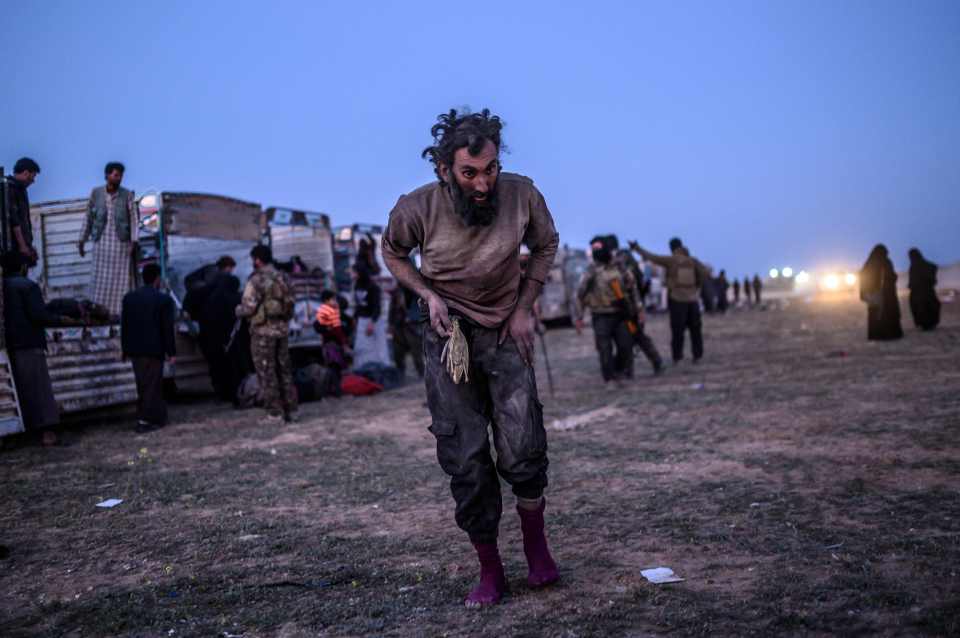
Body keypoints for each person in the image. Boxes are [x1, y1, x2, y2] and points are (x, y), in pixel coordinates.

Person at [382, 108, 560, 607]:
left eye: (491, 169)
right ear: (444, 170)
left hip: (506, 329)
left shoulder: (521, 193)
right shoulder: (415, 208)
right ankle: (490, 569)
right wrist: (426, 294)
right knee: (464, 453)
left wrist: (525, 307)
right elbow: (392, 251)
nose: (483, 184)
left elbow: (545, 244)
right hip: (448, 336)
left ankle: (536, 548)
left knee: (523, 444)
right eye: (470, 173)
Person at [2, 251, 72, 445]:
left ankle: (29, 433)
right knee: (40, 390)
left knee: (21, 392)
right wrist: (60, 319)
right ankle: (48, 434)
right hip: (30, 344)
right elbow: (39, 315)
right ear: (23, 267)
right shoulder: (28, 286)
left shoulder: (4, 286)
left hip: (11, 345)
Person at [235, 245, 298, 423]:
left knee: (267, 373)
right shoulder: (283, 276)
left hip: (263, 332)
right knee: (284, 370)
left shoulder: (256, 280)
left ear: (257, 259)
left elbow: (248, 308)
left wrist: (237, 310)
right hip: (282, 330)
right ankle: (291, 410)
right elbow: (292, 301)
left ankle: (274, 413)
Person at [630, 238, 710, 363]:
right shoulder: (692, 261)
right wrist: (696, 285)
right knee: (696, 330)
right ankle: (697, 356)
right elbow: (705, 272)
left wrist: (636, 248)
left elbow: (652, 257)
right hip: (693, 300)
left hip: (677, 299)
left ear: (672, 248)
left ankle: (677, 357)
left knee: (678, 331)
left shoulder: (671, 260)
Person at [121, 264, 176, 432]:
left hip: (136, 351)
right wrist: (171, 352)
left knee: (143, 384)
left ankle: (156, 417)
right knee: (153, 385)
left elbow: (125, 325)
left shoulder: (129, 298)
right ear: (157, 278)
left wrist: (125, 349)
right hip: (154, 350)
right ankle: (145, 421)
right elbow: (167, 327)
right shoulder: (163, 300)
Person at [78, 162, 138, 317]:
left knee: (121, 282)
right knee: (99, 281)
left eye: (120, 175)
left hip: (120, 245)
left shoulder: (127, 195)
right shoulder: (96, 193)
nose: (119, 178)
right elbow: (88, 218)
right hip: (101, 243)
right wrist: (82, 240)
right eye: (116, 175)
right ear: (107, 175)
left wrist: (133, 241)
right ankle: (98, 313)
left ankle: (118, 314)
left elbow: (133, 220)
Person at [576, 237, 637, 383]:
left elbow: (631, 285)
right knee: (604, 349)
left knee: (626, 346)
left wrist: (637, 309)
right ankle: (609, 378)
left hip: (620, 313)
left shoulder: (618, 268)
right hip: (601, 315)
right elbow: (581, 293)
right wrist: (579, 316)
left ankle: (618, 370)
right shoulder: (592, 272)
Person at [199, 272, 248, 403]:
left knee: (219, 369)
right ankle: (238, 394)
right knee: (236, 368)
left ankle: (222, 394)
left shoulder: (211, 299)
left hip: (214, 341)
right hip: (234, 341)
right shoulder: (236, 298)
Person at [614, 248, 663, 374]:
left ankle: (629, 369)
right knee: (635, 338)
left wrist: (638, 310)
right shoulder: (631, 269)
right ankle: (655, 362)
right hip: (631, 310)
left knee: (633, 338)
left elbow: (634, 292)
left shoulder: (626, 272)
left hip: (629, 312)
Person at [859, 244, 903, 341]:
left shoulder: (869, 263)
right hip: (885, 294)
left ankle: (877, 334)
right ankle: (889, 333)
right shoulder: (885, 262)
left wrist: (865, 293)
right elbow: (891, 276)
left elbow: (863, 278)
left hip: (875, 294)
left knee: (876, 314)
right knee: (885, 312)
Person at [3, 158, 41, 266]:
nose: (33, 182)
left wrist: (28, 246)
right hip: (13, 250)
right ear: (25, 173)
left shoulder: (21, 189)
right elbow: (14, 220)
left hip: (20, 247)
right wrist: (23, 246)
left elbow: (24, 220)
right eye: (32, 178)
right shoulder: (9, 188)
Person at [351, 263, 389, 368]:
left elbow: (377, 307)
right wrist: (355, 317)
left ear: (359, 273)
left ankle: (383, 369)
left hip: (374, 319)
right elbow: (358, 304)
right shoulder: (357, 285)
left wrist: (372, 323)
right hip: (362, 319)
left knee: (380, 346)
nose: (352, 274)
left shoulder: (373, 287)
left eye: (354, 272)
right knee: (362, 346)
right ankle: (364, 369)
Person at [388, 282, 425, 379]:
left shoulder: (416, 291)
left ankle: (421, 373)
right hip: (399, 324)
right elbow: (392, 308)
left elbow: (417, 307)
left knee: (416, 351)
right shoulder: (397, 291)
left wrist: (412, 317)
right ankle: (400, 374)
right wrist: (391, 323)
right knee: (398, 351)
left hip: (412, 324)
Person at [908, 248, 940, 331]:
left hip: (919, 292)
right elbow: (933, 267)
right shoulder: (924, 264)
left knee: (921, 307)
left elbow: (913, 280)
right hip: (928, 291)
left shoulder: (914, 266)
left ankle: (925, 324)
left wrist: (911, 285)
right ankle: (930, 324)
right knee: (929, 306)